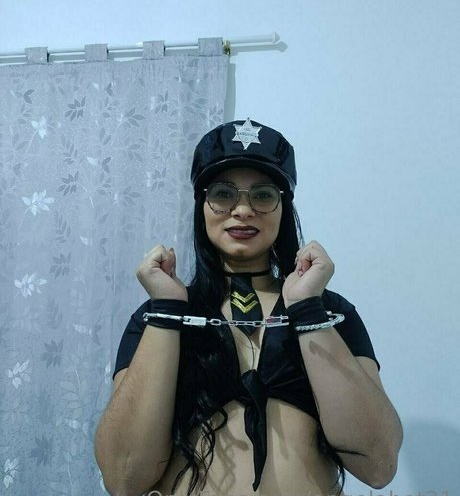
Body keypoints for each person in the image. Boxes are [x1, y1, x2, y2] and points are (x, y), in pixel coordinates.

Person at [95, 118, 403, 496]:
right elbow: (123, 477)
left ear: (283, 207)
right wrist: (166, 311)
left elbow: (379, 465)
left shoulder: (332, 313)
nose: (242, 210)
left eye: (263, 194)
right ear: (201, 205)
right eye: (223, 193)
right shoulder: (157, 316)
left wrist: (308, 311)